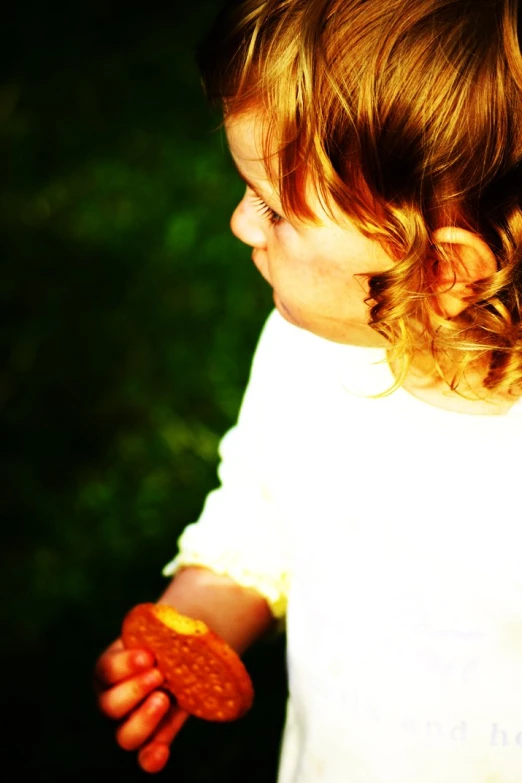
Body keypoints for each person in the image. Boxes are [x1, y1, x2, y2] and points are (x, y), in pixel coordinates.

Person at [95, 1, 522, 780]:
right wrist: (197, 622)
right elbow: (265, 508)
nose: (239, 224)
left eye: (276, 209)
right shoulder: (307, 353)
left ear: (439, 268)